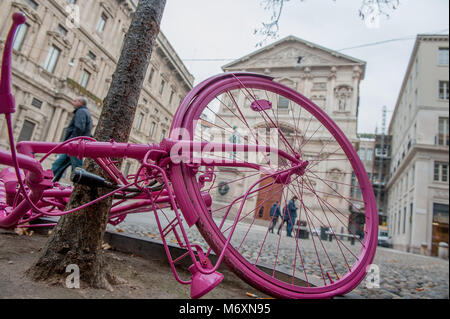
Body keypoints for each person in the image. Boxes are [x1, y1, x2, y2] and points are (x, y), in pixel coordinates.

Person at [52, 97, 92, 182]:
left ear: (81, 103)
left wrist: (71, 141)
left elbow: (79, 128)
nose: (72, 102)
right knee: (58, 165)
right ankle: (49, 183)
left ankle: (78, 188)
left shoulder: (81, 112)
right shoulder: (85, 112)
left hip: (74, 145)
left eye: (75, 101)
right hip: (75, 145)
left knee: (77, 170)